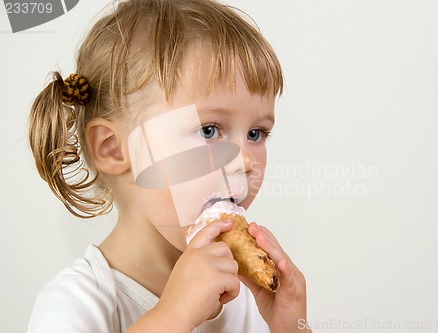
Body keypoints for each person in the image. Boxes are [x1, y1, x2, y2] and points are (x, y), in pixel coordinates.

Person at [27, 0, 311, 332]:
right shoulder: (77, 301)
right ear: (114, 149)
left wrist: (291, 326)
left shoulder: (244, 296)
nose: (245, 162)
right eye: (209, 130)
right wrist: (175, 314)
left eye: (255, 133)